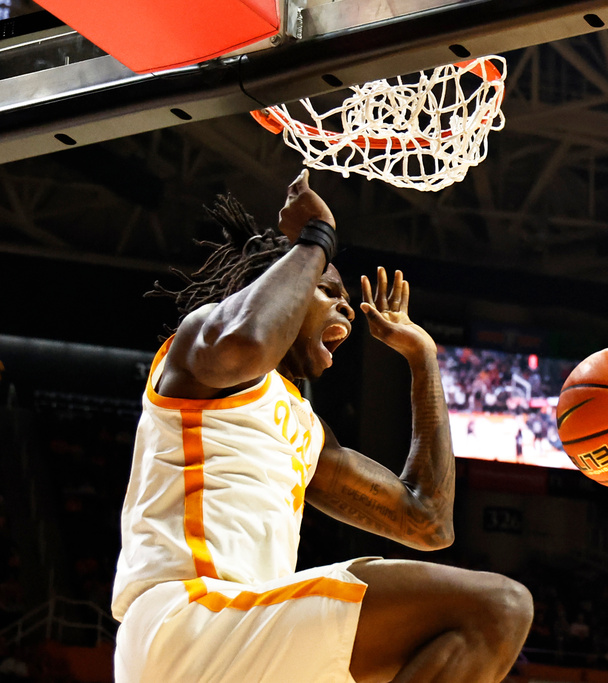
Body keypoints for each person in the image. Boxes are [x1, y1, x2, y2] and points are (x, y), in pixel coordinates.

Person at [111, 170, 534, 682]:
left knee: (493, 617)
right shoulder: (199, 346)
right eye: (326, 289)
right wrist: (315, 239)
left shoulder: (307, 433)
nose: (347, 307)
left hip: (243, 643)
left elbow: (428, 523)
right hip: (190, 621)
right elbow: (249, 344)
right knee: (497, 608)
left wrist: (423, 359)